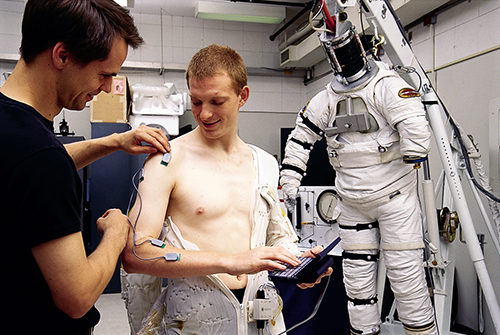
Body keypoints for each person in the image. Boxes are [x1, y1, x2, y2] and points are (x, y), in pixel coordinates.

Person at [121, 44, 330, 335]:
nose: (204, 114)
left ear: (242, 96)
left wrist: (296, 263)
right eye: (196, 102)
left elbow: (275, 235)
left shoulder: (265, 163)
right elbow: (135, 251)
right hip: (194, 319)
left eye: (216, 101)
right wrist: (229, 261)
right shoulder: (167, 161)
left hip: (261, 317)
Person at [0, 1, 170, 334]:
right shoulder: (40, 157)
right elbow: (76, 298)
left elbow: (31, 164)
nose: (107, 87)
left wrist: (115, 142)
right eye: (104, 74)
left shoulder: (14, 130)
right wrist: (117, 234)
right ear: (61, 55)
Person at [280, 19, 437, 335]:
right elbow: (301, 137)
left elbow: (415, 127)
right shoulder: (327, 98)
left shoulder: (386, 86)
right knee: (357, 285)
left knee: (406, 278)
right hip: (351, 202)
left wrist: (413, 147)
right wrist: (290, 180)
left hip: (395, 199)